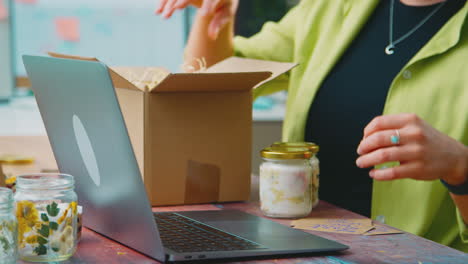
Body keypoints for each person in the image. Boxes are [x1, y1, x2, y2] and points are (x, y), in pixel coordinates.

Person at [156, 0, 468, 251]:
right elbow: (217, 85)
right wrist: (213, 17)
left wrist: (460, 166)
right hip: (302, 246)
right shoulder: (325, 8)